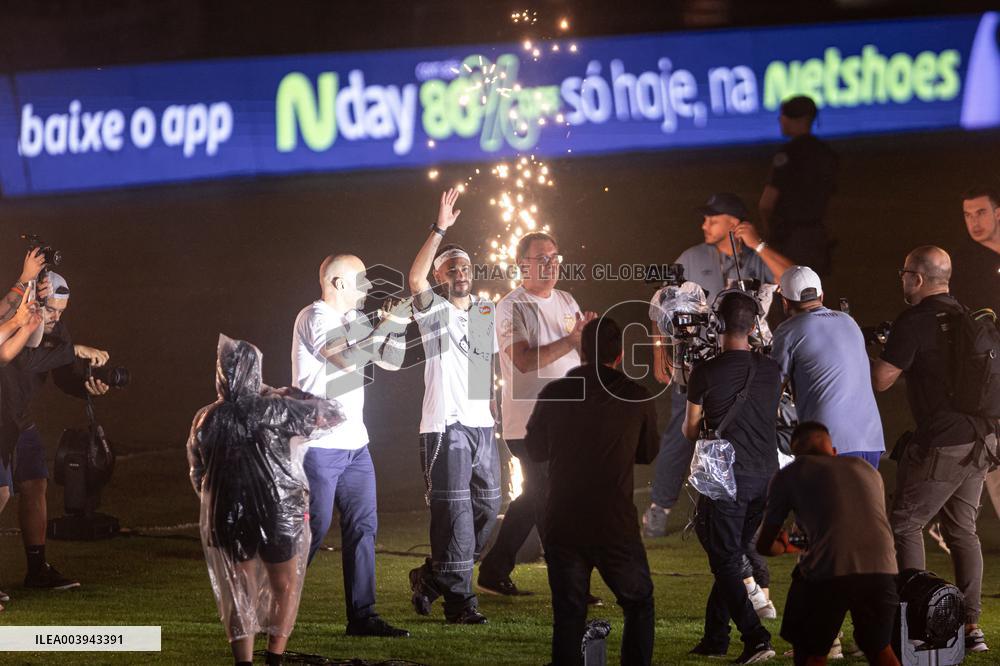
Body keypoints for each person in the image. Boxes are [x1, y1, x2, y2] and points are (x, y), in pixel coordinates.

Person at [188, 335, 345, 666]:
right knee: (284, 585)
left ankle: (243, 662)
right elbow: (331, 414)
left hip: (227, 512)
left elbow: (197, 471)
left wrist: (215, 500)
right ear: (254, 372)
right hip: (279, 509)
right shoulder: (274, 408)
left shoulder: (207, 418)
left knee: (238, 591)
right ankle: (274, 658)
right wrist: (289, 393)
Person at [645, 192, 792, 540]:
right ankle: (660, 508)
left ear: (734, 223)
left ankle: (758, 511)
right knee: (681, 435)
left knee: (754, 435)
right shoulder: (691, 258)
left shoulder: (755, 259)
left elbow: (795, 280)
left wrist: (758, 244)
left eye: (713, 219)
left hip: (745, 367)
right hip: (697, 366)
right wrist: (658, 351)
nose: (704, 225)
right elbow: (660, 304)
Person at [871, 245, 995, 653]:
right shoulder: (964, 314)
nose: (902, 279)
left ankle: (916, 620)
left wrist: (872, 351)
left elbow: (881, 381)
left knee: (905, 523)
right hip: (981, 438)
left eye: (904, 272)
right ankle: (972, 627)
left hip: (944, 442)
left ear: (918, 278)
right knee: (963, 532)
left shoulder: (915, 319)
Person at [525, 317, 659, 666]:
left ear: (582, 351)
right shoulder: (636, 396)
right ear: (621, 354)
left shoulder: (554, 393)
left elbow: (535, 449)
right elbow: (647, 453)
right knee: (639, 602)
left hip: (563, 521)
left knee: (569, 615)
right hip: (613, 523)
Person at [291, 254, 410, 638]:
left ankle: (363, 616)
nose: (369, 287)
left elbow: (391, 362)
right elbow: (345, 359)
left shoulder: (355, 320)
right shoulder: (314, 317)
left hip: (356, 444)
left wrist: (398, 328)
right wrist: (383, 327)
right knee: (314, 529)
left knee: (363, 527)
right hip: (319, 447)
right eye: (361, 279)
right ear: (339, 283)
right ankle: (270, 603)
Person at [477, 230, 597, 598]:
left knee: (535, 498)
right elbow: (525, 361)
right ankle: (568, 583)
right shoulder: (511, 306)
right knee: (549, 497)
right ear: (521, 265)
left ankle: (495, 569)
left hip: (568, 421)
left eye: (555, 257)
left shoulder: (566, 300)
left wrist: (592, 346)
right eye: (541, 259)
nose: (550, 265)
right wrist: (571, 341)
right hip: (529, 423)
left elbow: (576, 358)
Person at [406, 189, 501, 624]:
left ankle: (432, 575)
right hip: (447, 427)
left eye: (464, 266)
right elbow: (414, 280)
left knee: (487, 508)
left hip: (481, 426)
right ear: (442, 277)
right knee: (457, 515)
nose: (460, 271)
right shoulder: (434, 312)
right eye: (451, 267)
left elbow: (482, 374)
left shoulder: (484, 314)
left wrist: (492, 415)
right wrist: (440, 227)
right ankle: (461, 603)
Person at [683, 290, 780, 664]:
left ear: (717, 324)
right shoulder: (771, 369)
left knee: (724, 558)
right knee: (731, 553)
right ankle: (715, 636)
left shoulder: (705, 372)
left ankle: (755, 637)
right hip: (766, 478)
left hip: (726, 480)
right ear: (755, 326)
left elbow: (690, 431)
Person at [0, 270, 112, 592]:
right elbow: (25, 361)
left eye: (61, 312)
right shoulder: (20, 319)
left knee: (35, 482)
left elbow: (63, 374)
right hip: (2, 419)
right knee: (1, 492)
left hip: (20, 418)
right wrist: (74, 348)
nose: (56, 319)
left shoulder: (55, 327)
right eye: (51, 310)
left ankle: (37, 569)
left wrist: (86, 386)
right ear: (35, 300)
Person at [757, 422, 900, 666]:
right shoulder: (867, 470)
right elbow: (852, 527)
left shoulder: (791, 472)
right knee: (879, 649)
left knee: (811, 652)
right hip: (883, 569)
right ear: (833, 450)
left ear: (795, 453)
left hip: (831, 571)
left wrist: (784, 545)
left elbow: (764, 543)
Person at [770, 266, 885, 467]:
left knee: (824, 499)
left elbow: (772, 387)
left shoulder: (788, 330)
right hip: (871, 441)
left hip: (828, 443)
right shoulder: (849, 321)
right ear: (821, 295)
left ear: (785, 302)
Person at [952, 187, 1000, 533]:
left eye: (981, 212)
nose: (974, 222)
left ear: (998, 213)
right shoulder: (965, 266)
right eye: (968, 215)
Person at [758, 96, 838, 276]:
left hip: (790, 238)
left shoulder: (788, 154)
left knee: (788, 290)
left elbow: (766, 203)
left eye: (784, 116)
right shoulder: (825, 153)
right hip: (817, 236)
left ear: (799, 120)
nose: (780, 120)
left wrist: (769, 232)